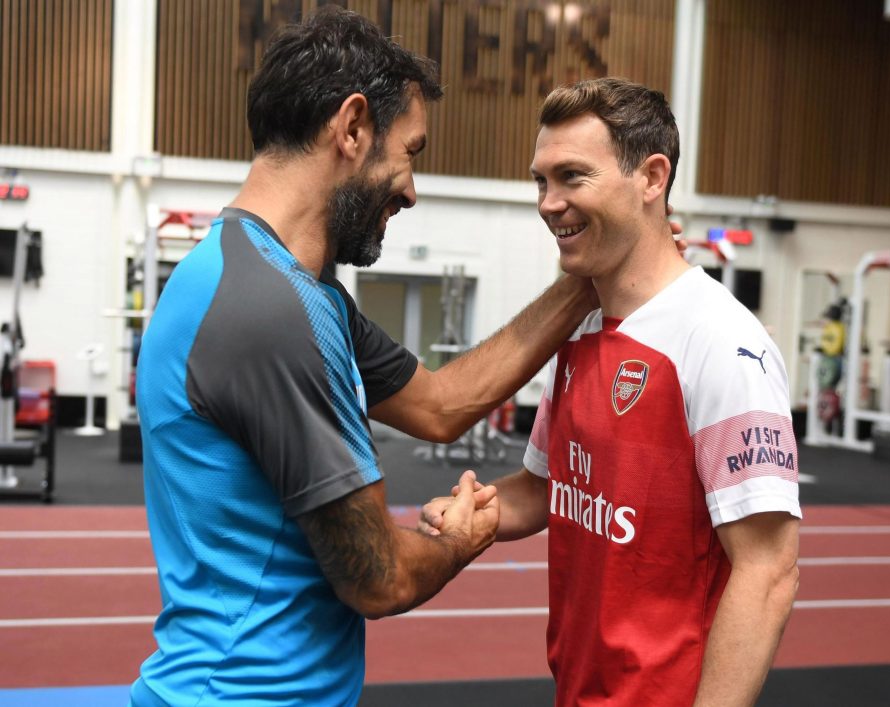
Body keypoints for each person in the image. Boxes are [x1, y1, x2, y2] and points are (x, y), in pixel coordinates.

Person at [128, 7, 611, 705]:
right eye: (410, 152)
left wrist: (582, 281)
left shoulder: (286, 286)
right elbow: (377, 575)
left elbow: (440, 404)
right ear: (352, 129)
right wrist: (463, 537)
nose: (411, 189)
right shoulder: (268, 310)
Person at [421, 78, 802, 707]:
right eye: (541, 181)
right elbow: (551, 489)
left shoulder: (722, 342)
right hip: (577, 687)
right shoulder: (578, 333)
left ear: (652, 178)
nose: (548, 202)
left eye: (572, 176)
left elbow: (768, 571)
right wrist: (482, 510)